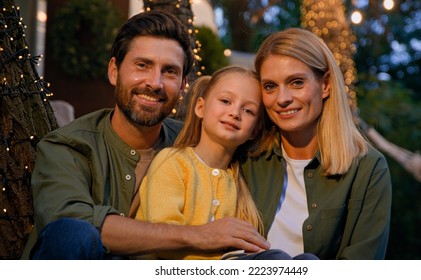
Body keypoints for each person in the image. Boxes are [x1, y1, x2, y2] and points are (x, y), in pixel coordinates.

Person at [22, 10, 269, 260]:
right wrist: (201, 235)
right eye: (143, 65)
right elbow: (71, 223)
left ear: (183, 85)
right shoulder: (67, 146)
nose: (155, 83)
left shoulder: (196, 142)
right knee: (73, 233)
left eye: (170, 71)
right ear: (114, 71)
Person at [134, 65, 318, 260]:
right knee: (277, 260)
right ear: (201, 108)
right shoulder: (172, 162)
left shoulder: (238, 180)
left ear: (254, 131)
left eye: (248, 110)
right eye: (225, 101)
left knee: (308, 261)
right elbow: (164, 239)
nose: (235, 113)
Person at [240, 28, 392, 260]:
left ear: (326, 85)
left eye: (296, 82)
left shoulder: (367, 169)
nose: (282, 99)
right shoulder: (246, 158)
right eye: (270, 86)